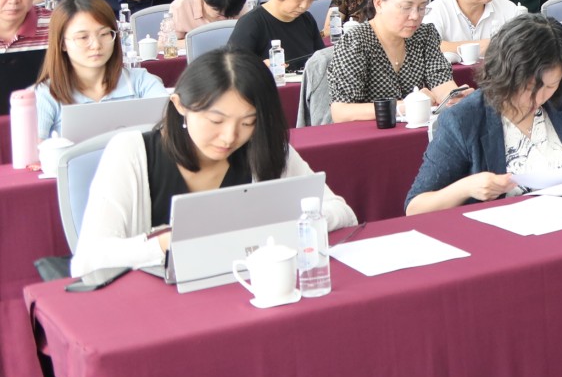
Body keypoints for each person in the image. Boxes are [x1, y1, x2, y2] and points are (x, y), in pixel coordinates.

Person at [69, 50, 358, 277]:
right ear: (180, 106)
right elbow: (88, 260)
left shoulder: (265, 149)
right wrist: (165, 243)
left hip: (246, 291)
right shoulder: (132, 152)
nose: (230, 136)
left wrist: (283, 223)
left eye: (248, 122)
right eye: (216, 121)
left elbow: (342, 212)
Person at [405, 14, 562, 214]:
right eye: (529, 87)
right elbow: (415, 207)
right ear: (506, 74)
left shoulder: (560, 102)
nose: (539, 98)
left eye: (550, 86)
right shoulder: (465, 119)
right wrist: (467, 187)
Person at [326, 0, 461, 122]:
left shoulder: (424, 35)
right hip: (369, 132)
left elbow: (441, 81)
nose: (415, 16)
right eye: (406, 7)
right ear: (379, 3)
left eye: (422, 7)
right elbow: (341, 111)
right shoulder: (355, 41)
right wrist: (405, 106)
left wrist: (455, 97)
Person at [31, 0, 168, 142]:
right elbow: (32, 150)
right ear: (62, 43)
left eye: (104, 34)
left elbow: (171, 128)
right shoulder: (47, 93)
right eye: (83, 37)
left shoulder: (140, 81)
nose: (96, 45)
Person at [227, 0, 326, 70]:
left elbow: (321, 59)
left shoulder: (306, 19)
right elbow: (233, 68)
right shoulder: (251, 22)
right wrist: (260, 67)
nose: (304, 6)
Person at [160, 0, 249, 49]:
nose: (223, 18)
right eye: (217, 12)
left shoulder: (238, 1)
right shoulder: (181, 6)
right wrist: (199, 42)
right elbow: (165, 44)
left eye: (230, 15)